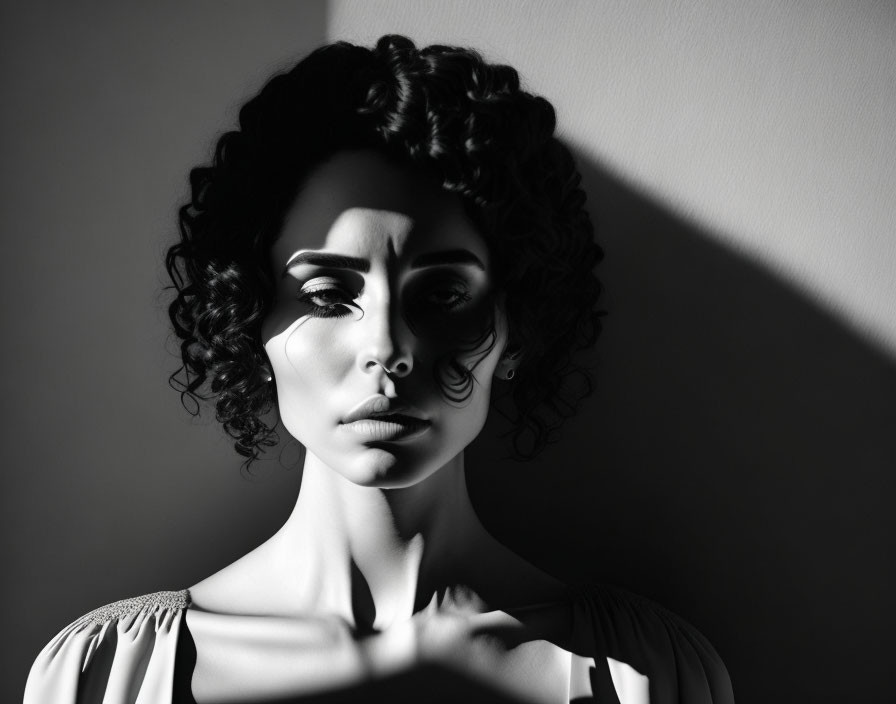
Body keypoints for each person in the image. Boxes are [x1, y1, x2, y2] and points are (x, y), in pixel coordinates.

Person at [24, 35, 734, 704]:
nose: (387, 346)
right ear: (250, 321)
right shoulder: (106, 676)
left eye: (444, 294)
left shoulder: (645, 676)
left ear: (519, 328)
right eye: (331, 296)